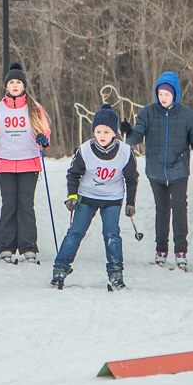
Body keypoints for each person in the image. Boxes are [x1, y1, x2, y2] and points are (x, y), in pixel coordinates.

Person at [120, 71, 193, 271]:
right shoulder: (147, 113)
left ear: (175, 94)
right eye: (160, 94)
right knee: (161, 209)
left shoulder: (187, 115)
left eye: (167, 94)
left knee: (179, 207)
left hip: (178, 170)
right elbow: (135, 138)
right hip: (156, 170)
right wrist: (127, 131)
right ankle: (161, 250)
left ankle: (181, 251)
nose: (163, 98)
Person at [51, 104, 139, 290]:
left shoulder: (125, 152)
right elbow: (73, 174)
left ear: (114, 133)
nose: (102, 135)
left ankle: (116, 273)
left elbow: (132, 179)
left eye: (106, 131)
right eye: (98, 131)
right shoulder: (85, 150)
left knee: (111, 234)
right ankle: (60, 269)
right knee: (75, 233)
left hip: (112, 199)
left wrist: (130, 203)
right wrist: (72, 196)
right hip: (87, 196)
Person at [0, 63, 51, 263]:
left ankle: (29, 246)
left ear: (24, 86)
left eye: (19, 82)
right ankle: (6, 247)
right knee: (9, 204)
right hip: (7, 164)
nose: (15, 85)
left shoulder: (34, 108)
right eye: (12, 82)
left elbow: (44, 131)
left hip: (30, 163)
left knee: (26, 205)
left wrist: (44, 139)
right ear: (6, 87)